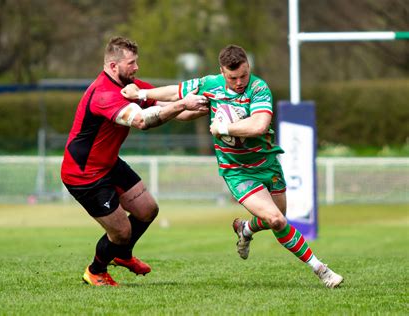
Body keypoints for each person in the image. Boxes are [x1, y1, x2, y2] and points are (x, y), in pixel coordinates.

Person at [121, 44, 344, 288]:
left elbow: (259, 126)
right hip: (237, 170)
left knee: (277, 218)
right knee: (277, 220)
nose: (239, 82)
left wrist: (222, 128)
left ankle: (245, 229)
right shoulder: (210, 84)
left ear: (249, 68)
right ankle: (321, 269)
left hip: (267, 163)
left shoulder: (259, 88)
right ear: (222, 72)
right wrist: (140, 94)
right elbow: (176, 92)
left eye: (243, 75)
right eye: (233, 77)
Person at [61, 36, 208, 286]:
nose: (136, 67)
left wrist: (206, 106)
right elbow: (142, 121)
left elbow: (170, 108)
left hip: (107, 163)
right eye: (131, 63)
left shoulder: (132, 86)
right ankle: (95, 271)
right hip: (84, 175)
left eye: (136, 61)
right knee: (121, 232)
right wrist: (183, 103)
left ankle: (123, 255)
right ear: (113, 66)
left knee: (148, 210)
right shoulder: (103, 95)